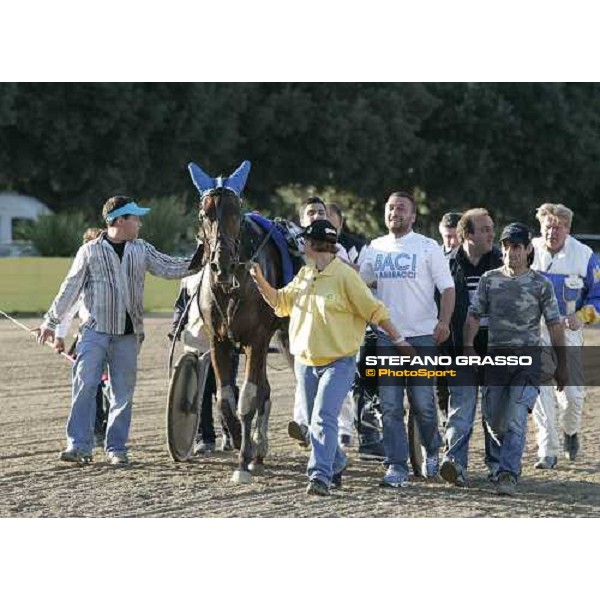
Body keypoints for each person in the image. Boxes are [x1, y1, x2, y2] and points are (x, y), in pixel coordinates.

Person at [250, 219, 413, 496]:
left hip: (339, 362)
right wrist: (260, 281)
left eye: (304, 242)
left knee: (324, 418)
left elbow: (375, 311)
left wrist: (399, 340)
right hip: (305, 362)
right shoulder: (304, 274)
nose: (301, 246)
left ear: (312, 245)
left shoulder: (346, 277)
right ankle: (336, 461)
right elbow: (280, 303)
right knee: (316, 422)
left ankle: (319, 477)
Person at [35, 196, 193, 465]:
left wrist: (204, 259)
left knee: (122, 394)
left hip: (128, 337)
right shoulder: (89, 251)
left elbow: (169, 267)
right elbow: (69, 289)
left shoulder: (141, 249)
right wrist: (50, 322)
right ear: (119, 220)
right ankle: (79, 446)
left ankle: (116, 449)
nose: (140, 224)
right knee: (84, 387)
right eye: (135, 218)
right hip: (94, 333)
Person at [359, 191, 455, 487]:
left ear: (413, 216)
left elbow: (448, 289)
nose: (394, 212)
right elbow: (357, 285)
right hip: (387, 338)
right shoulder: (374, 248)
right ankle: (396, 466)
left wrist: (444, 322)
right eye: (390, 208)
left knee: (424, 403)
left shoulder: (428, 248)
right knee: (390, 405)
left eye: (401, 208)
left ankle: (433, 450)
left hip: (423, 338)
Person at [464, 222, 567, 496]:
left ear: (528, 249)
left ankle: (509, 474)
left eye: (517, 247)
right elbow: (474, 316)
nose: (512, 253)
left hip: (528, 363)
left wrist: (563, 365)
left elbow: (555, 325)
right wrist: (467, 347)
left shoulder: (540, 284)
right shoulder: (489, 280)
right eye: (507, 247)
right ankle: (498, 466)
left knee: (515, 417)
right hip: (496, 362)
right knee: (493, 421)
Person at [531, 203, 600, 468]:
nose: (552, 232)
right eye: (548, 226)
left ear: (568, 229)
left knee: (572, 395)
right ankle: (547, 450)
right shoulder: (527, 250)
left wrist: (581, 316)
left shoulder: (584, 256)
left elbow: (598, 296)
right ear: (541, 227)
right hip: (535, 332)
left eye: (558, 227)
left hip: (569, 333)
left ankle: (571, 431)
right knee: (541, 391)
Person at [438, 208, 502, 486]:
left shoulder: (502, 262)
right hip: (458, 351)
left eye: (491, 228)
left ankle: (498, 467)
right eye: (485, 229)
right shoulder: (445, 265)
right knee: (460, 411)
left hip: (495, 349)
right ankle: (455, 465)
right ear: (467, 235)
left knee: (495, 414)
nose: (491, 234)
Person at [287, 196, 352, 447]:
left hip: (334, 329)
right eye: (311, 212)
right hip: (305, 326)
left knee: (335, 388)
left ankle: (344, 428)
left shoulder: (336, 247)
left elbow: (348, 274)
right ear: (302, 220)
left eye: (320, 211)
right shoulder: (295, 248)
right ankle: (302, 424)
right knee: (304, 381)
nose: (316, 215)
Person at [169, 272, 239, 453]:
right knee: (200, 392)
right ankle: (205, 438)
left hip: (223, 346)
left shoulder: (226, 275)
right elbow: (181, 305)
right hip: (196, 343)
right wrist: (176, 325)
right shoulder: (189, 276)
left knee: (225, 389)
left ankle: (229, 432)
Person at [54, 227, 110, 448]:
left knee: (106, 386)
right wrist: (59, 337)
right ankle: (95, 429)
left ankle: (102, 429)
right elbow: (69, 307)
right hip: (87, 336)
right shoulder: (85, 271)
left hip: (112, 336)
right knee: (89, 385)